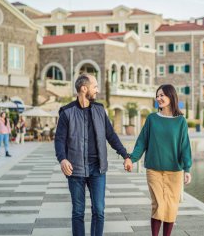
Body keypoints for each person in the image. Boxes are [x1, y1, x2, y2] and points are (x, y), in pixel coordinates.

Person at [54, 73, 131, 236]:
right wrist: (62, 159)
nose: (97, 90)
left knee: (99, 210)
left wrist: (125, 155)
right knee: (78, 212)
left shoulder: (99, 110)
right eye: (94, 86)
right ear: (84, 88)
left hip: (98, 169)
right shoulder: (66, 113)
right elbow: (59, 140)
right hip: (75, 170)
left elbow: (111, 135)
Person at [124, 84, 192, 236]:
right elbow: (142, 142)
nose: (159, 98)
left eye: (162, 95)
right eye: (158, 95)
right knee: (159, 205)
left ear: (171, 97)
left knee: (171, 207)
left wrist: (187, 169)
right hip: (154, 169)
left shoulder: (180, 121)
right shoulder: (152, 119)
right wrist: (131, 159)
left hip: (175, 171)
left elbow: (185, 146)